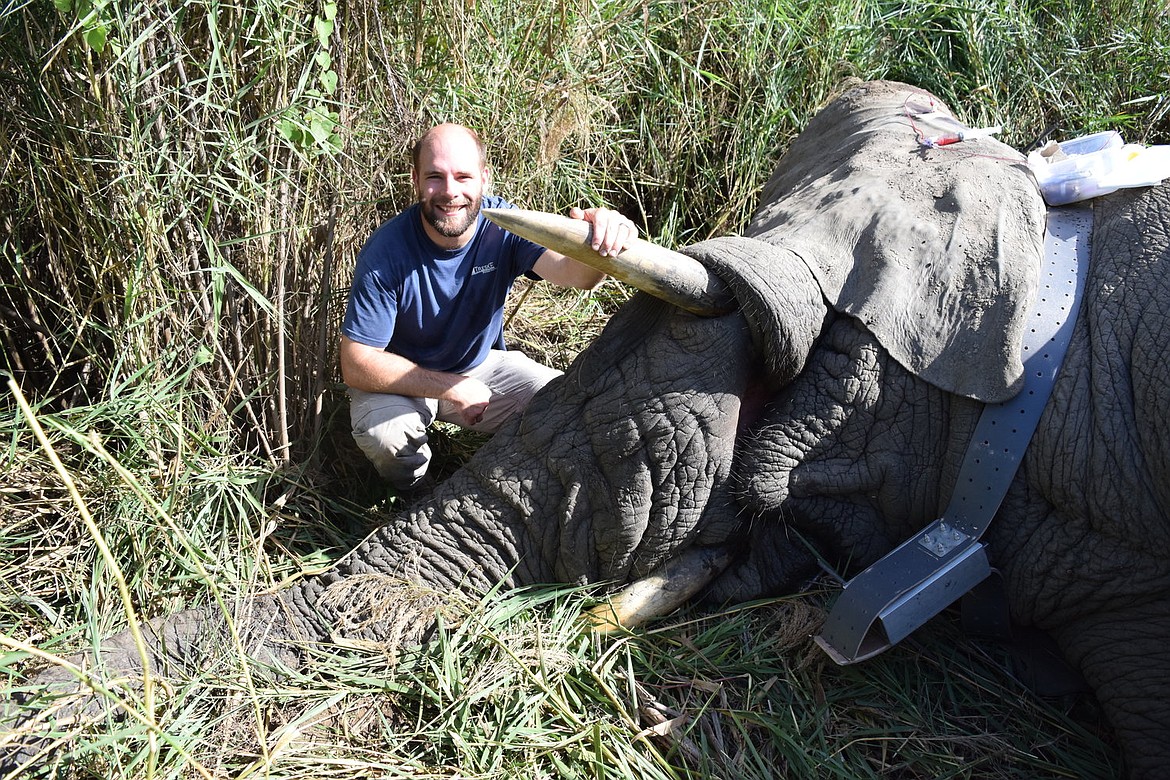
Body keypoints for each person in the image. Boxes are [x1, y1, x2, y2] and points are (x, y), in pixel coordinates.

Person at [340, 123, 637, 490]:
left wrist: (600, 242)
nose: (450, 192)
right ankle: (416, 495)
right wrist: (452, 388)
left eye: (463, 177)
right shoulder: (386, 252)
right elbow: (357, 363)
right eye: (435, 177)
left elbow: (574, 275)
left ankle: (519, 490)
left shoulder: (503, 225)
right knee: (388, 440)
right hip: (399, 381)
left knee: (566, 408)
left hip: (480, 366)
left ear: (484, 179)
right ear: (416, 180)